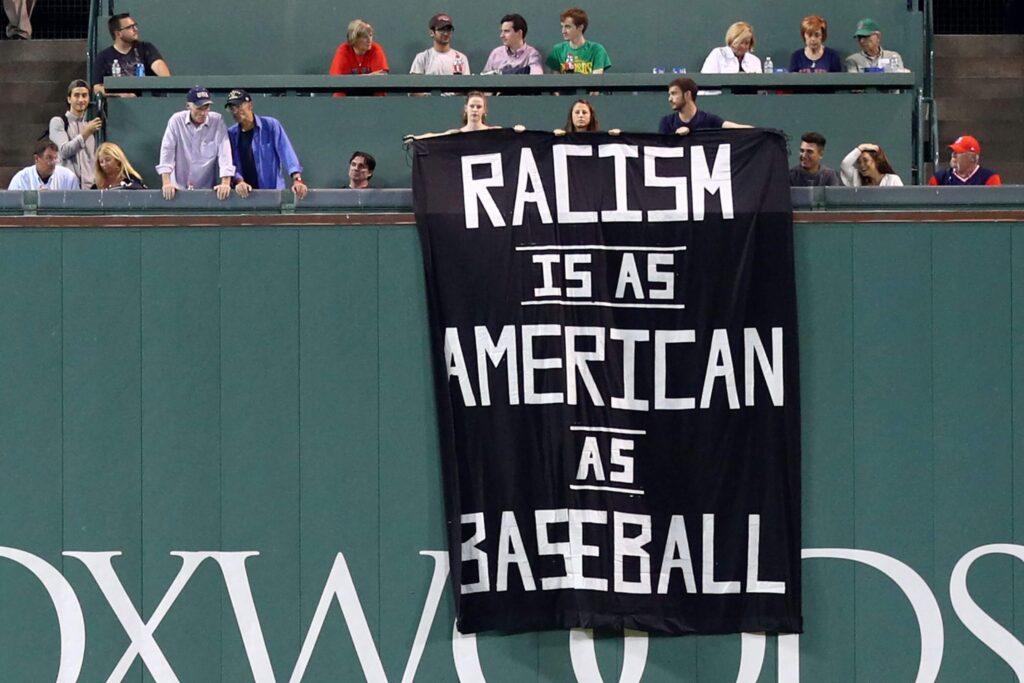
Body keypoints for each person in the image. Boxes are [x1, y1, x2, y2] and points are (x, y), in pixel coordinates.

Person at [224, 89, 308, 199]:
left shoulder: (271, 125)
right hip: (244, 197)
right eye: (232, 108)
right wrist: (239, 182)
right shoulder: (231, 134)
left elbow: (287, 154)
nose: (235, 111)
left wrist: (297, 180)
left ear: (250, 105)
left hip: (273, 196)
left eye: (238, 106)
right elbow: (231, 163)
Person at [156, 86, 234, 200]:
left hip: (206, 191)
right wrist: (166, 183)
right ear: (188, 106)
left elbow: (225, 152)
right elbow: (167, 151)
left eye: (206, 107)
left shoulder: (217, 120)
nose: (203, 113)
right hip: (177, 190)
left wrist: (226, 183)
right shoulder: (176, 120)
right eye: (199, 108)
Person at [92, 13, 171, 95]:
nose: (135, 29)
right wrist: (120, 95)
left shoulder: (146, 48)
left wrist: (166, 81)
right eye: (130, 27)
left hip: (147, 101)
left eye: (135, 25)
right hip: (118, 105)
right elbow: (97, 88)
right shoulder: (103, 57)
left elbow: (159, 66)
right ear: (118, 34)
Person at [49, 79, 103, 189]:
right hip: (66, 187)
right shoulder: (58, 122)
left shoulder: (91, 125)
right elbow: (64, 151)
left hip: (89, 188)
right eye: (76, 95)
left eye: (84, 95)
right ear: (69, 99)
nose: (81, 99)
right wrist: (86, 132)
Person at [657, 77, 751, 135]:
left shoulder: (708, 119)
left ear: (687, 94)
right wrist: (675, 137)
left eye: (674, 94)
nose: (670, 99)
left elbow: (735, 127)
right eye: (670, 94)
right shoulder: (667, 122)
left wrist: (761, 133)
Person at [405, 91, 509, 140]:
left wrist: (519, 132)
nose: (475, 110)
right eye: (472, 106)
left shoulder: (494, 131)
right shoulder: (456, 134)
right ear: (466, 109)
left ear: (484, 110)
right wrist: (417, 138)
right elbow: (435, 136)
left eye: (478, 107)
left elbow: (512, 135)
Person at [329, 19, 389, 96]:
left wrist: (353, 79)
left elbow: (381, 77)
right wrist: (369, 76)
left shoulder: (376, 49)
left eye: (370, 35)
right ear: (355, 39)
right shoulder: (343, 50)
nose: (369, 40)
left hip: (371, 94)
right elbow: (337, 80)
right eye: (365, 37)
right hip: (348, 94)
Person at [546, 7, 611, 74]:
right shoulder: (558, 50)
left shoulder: (597, 50)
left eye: (567, 27)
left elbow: (597, 80)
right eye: (562, 26)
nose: (563, 31)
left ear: (580, 27)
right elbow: (555, 81)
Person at [928, 135, 1002, 186]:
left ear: (973, 158)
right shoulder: (939, 178)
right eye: (953, 151)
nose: (953, 155)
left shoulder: (990, 178)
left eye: (959, 152)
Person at [7, 139, 79, 190]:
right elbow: (11, 207)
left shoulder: (68, 177)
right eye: (49, 158)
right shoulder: (21, 179)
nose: (53, 162)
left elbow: (77, 206)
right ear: (36, 158)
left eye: (55, 158)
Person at [553, 99, 620, 135]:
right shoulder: (562, 137)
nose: (580, 115)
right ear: (571, 115)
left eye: (584, 112)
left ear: (591, 116)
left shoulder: (600, 138)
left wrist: (618, 137)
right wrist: (554, 137)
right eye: (577, 112)